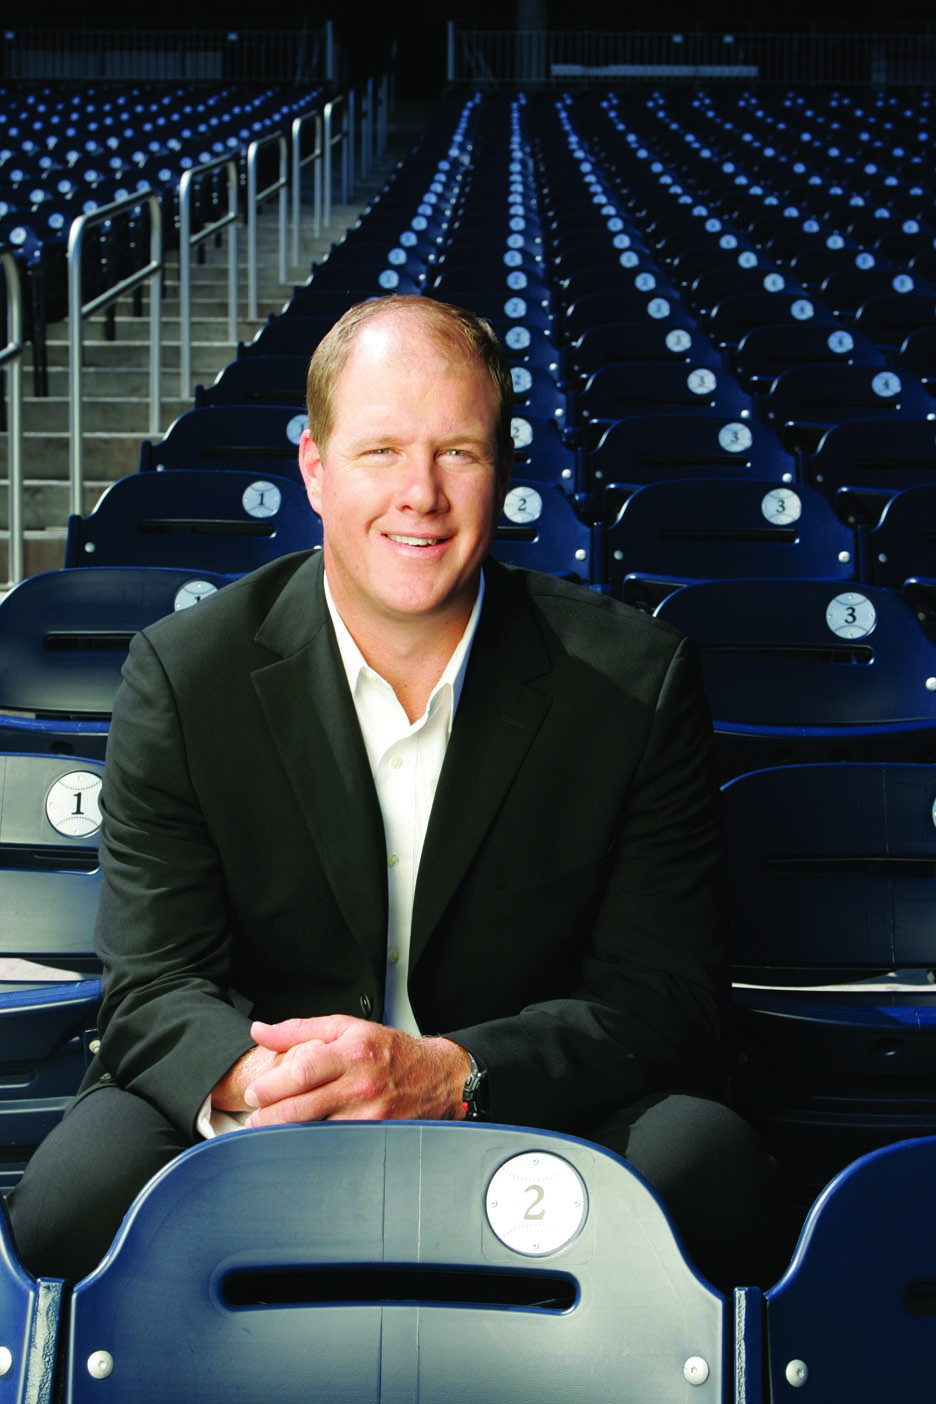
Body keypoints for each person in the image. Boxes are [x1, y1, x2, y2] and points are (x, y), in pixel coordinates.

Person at [8, 295, 776, 1286]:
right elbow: (154, 983)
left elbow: (664, 998)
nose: (421, 493)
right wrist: (270, 1083)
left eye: (458, 451)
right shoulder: (186, 674)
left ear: (502, 470)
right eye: (380, 452)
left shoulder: (635, 679)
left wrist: (454, 1074)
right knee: (75, 1195)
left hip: (525, 1113)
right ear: (315, 469)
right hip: (260, 1107)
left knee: (704, 1164)